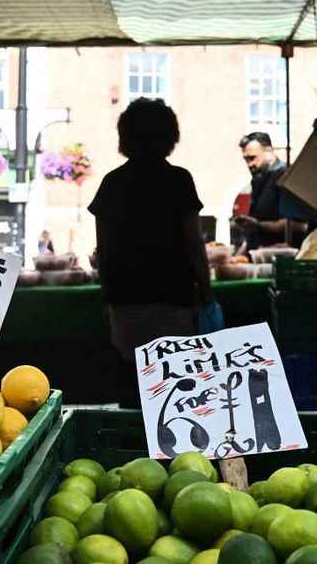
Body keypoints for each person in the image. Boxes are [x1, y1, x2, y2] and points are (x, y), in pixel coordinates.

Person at [89, 98, 212, 408]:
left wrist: (107, 297)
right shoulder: (178, 180)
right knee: (175, 387)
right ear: (170, 137)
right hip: (173, 300)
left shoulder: (112, 183)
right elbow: (194, 243)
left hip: (127, 301)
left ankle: (132, 447)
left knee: (133, 385)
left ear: (124, 138)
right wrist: (206, 290)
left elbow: (102, 250)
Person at [235, 131, 307, 250]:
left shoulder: (285, 177)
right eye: (246, 159)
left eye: (252, 158)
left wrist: (258, 225)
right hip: (260, 255)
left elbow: (299, 225)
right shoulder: (258, 180)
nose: (249, 164)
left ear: (268, 151)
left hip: (281, 255)